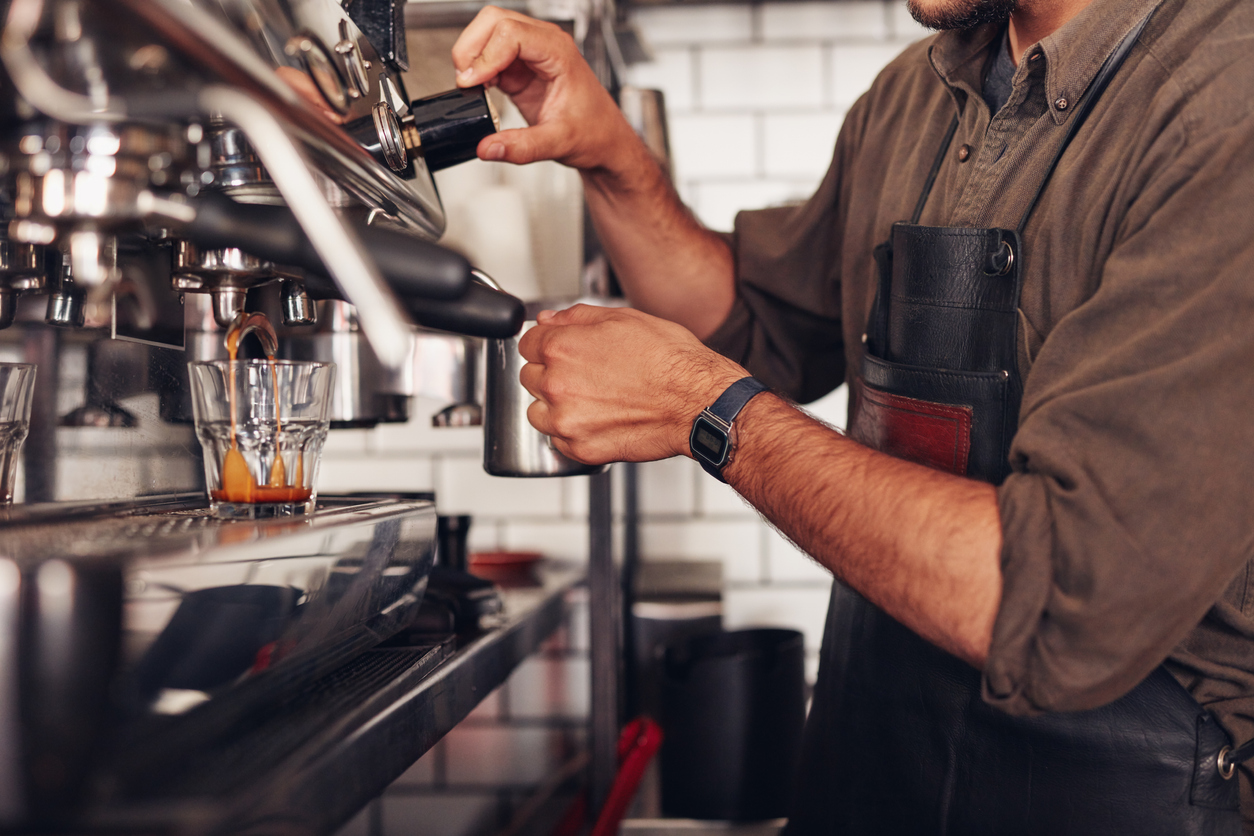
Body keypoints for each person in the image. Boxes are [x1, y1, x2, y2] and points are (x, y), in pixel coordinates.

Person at [450, 0, 1254, 830]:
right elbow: (754, 323)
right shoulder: (917, 92)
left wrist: (707, 410)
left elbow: (1063, 600)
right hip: (869, 768)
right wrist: (611, 155)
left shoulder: (1225, 98)